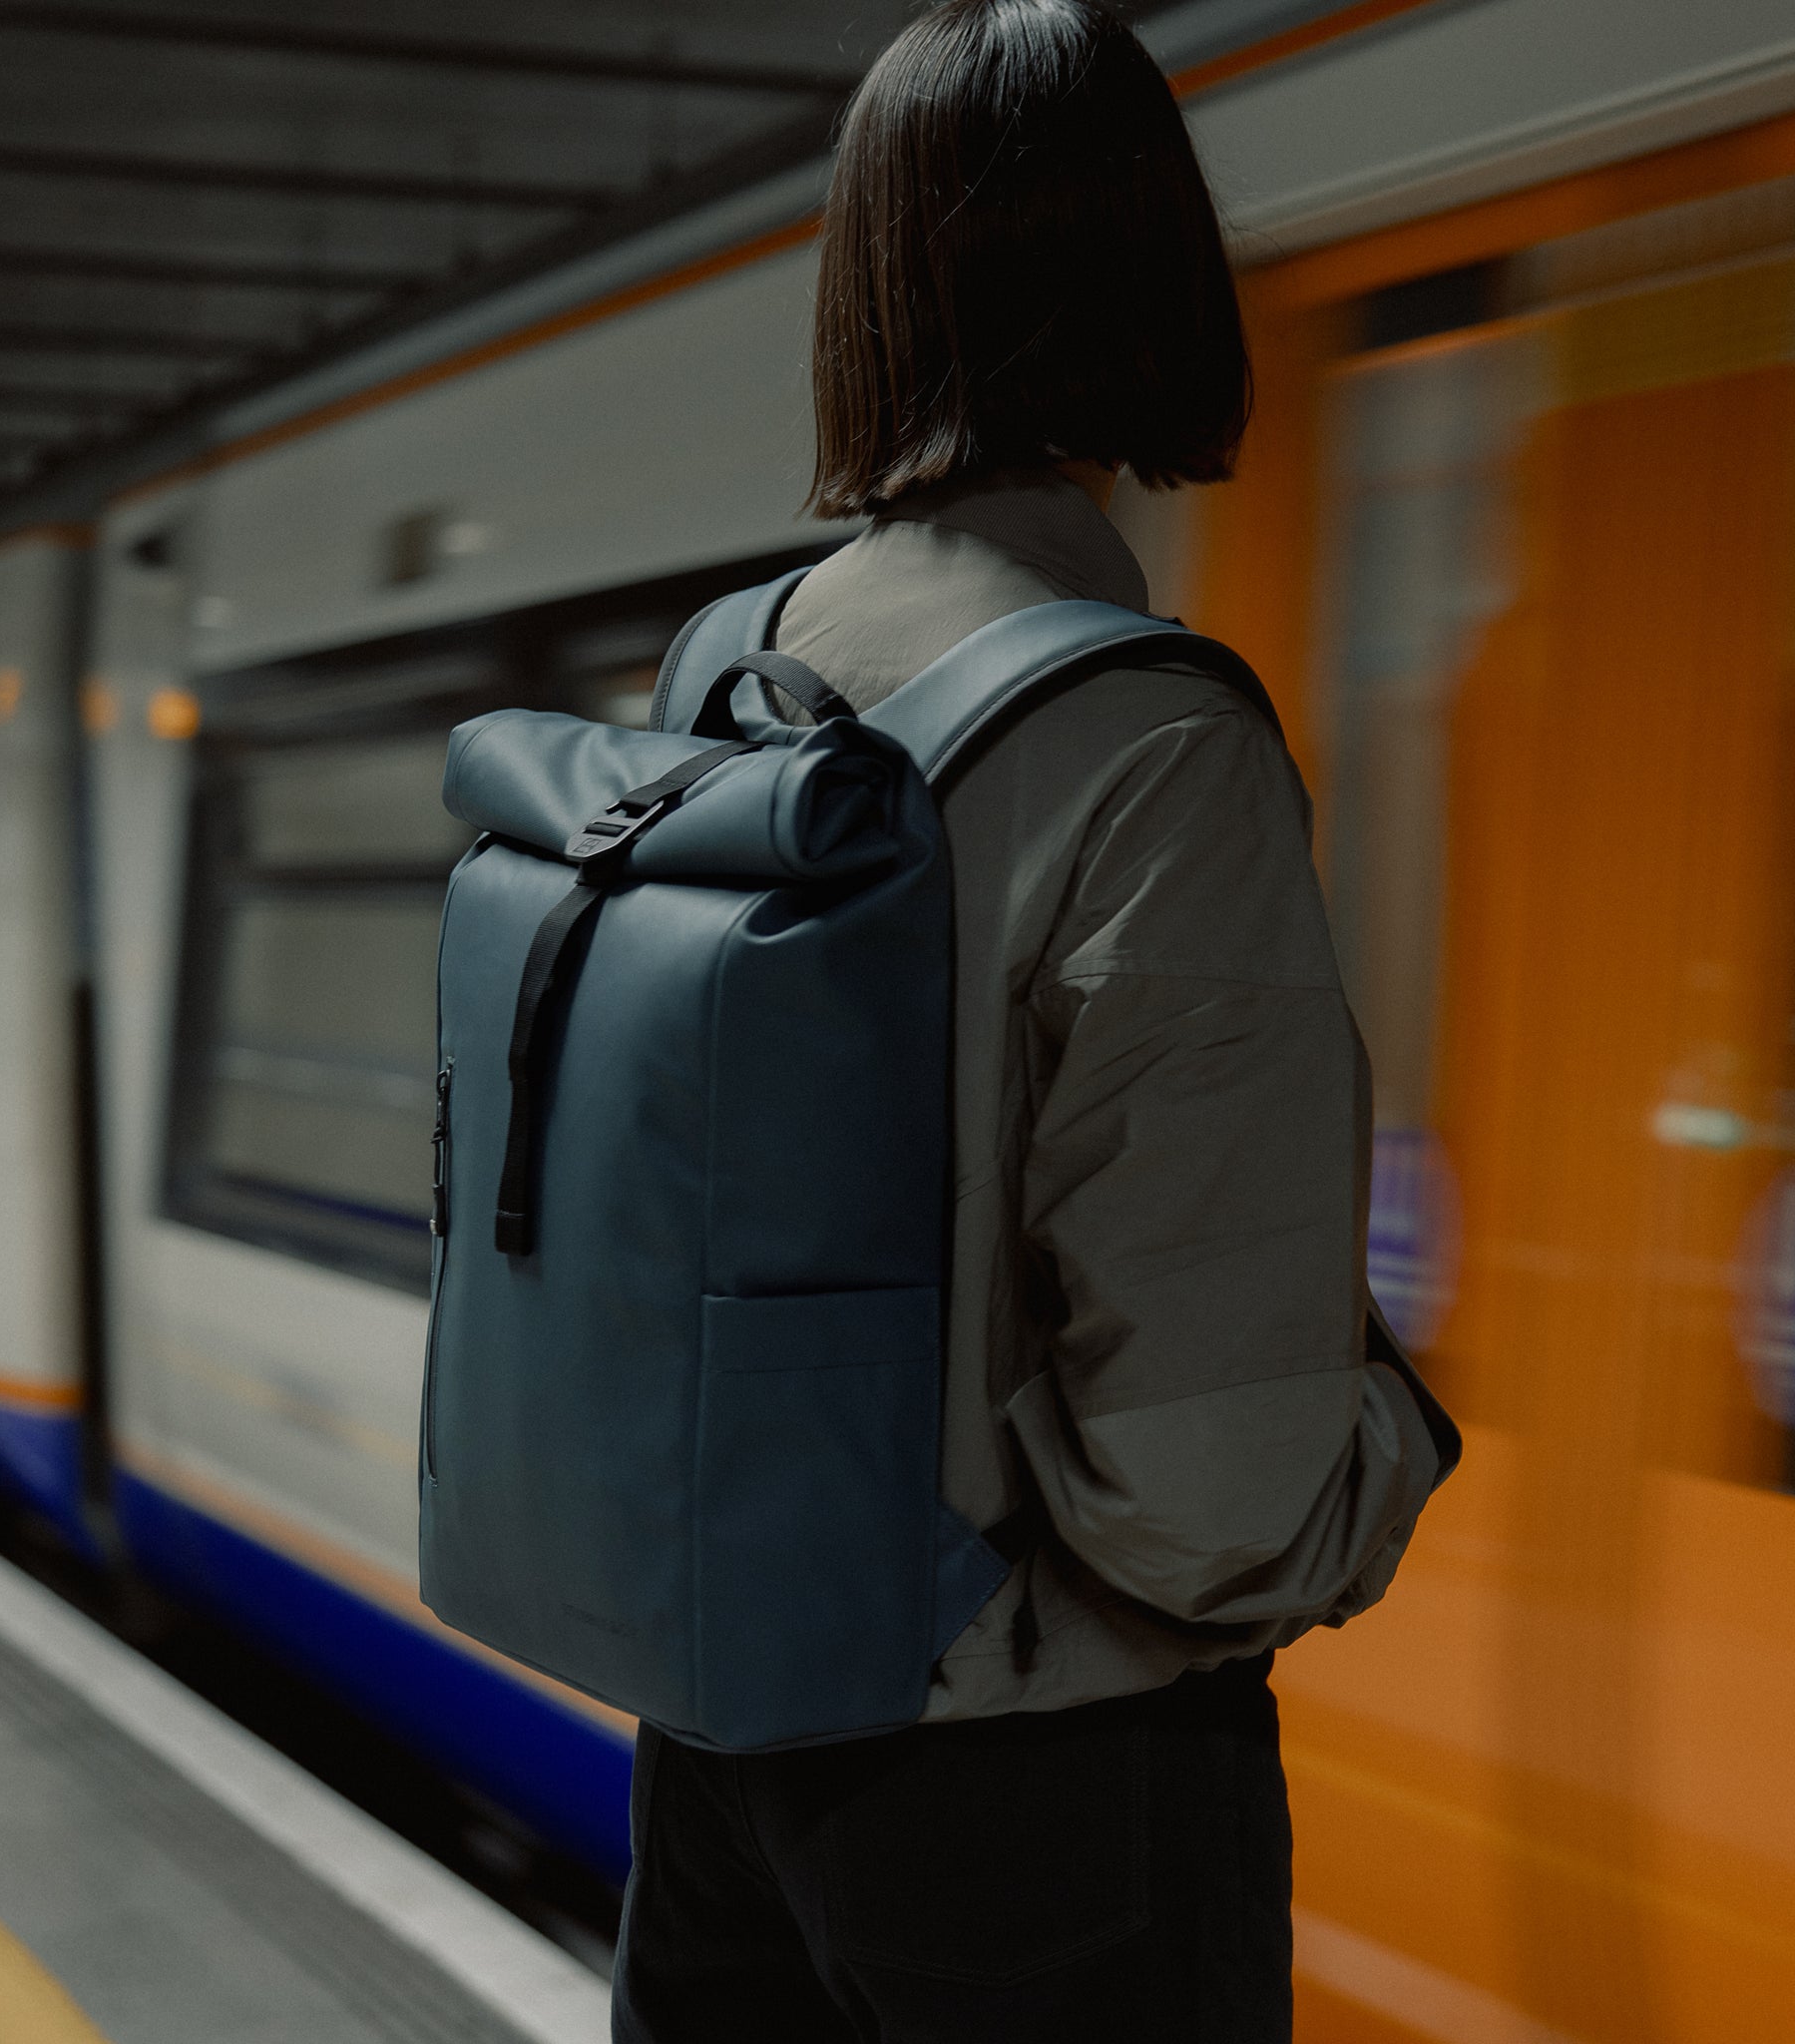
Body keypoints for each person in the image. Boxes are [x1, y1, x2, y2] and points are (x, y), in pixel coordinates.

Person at [611, 4, 1452, 2038]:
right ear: (1160, 277)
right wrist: (1392, 1449)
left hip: (723, 1733)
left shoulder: (719, 673)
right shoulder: (1155, 746)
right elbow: (1206, 1483)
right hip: (1038, 1795)